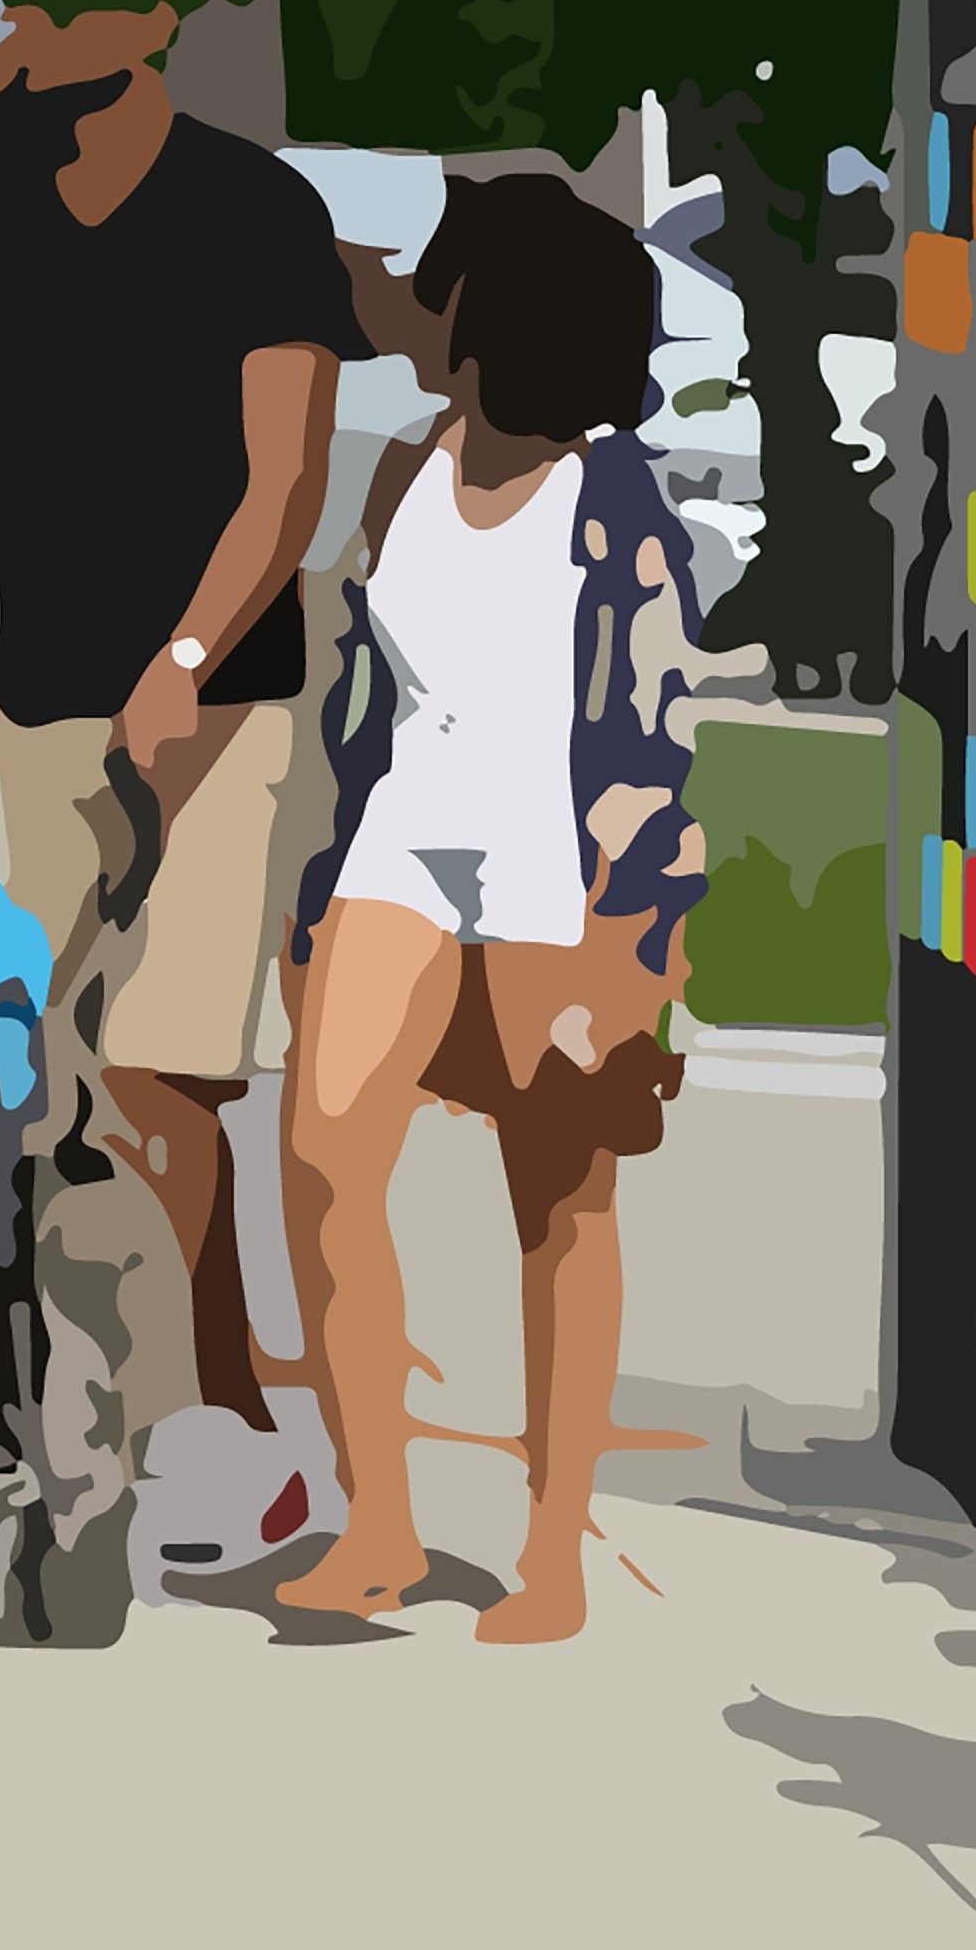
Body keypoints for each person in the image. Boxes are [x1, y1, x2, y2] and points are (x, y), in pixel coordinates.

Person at [0, 0, 360, 1639]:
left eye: (63, 0)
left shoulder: (254, 213)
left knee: (162, 1083)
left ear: (150, 22)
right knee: (74, 1087)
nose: (30, 20)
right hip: (47, 689)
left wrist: (192, 660)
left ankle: (173, 1436)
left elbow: (281, 477)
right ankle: (212, 1420)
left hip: (228, 700)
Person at [259, 166, 703, 1645]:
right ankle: (376, 1520)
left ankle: (551, 1544)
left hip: (556, 874)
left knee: (559, 1204)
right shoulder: (405, 464)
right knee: (323, 1162)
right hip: (404, 842)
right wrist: (313, 887)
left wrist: (637, 938)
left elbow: (656, 731)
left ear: (498, 312)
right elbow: (359, 703)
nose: (420, 303)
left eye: (444, 283)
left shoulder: (616, 498)